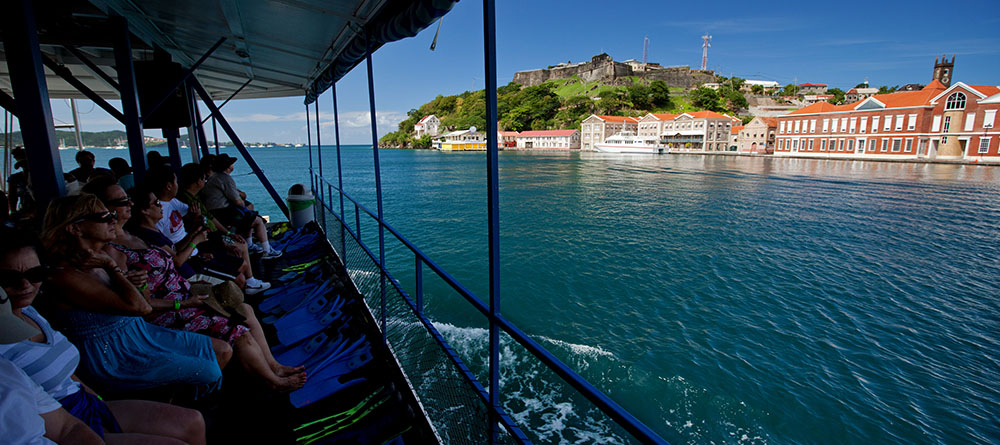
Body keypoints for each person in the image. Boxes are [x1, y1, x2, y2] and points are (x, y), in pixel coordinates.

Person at [83, 179, 305, 391]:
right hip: (173, 308)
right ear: (105, 210)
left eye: (128, 199)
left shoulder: (134, 234)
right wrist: (184, 301)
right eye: (122, 202)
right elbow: (142, 300)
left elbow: (169, 258)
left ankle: (274, 366)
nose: (129, 203)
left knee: (244, 308)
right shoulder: (113, 252)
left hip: (187, 293)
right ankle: (272, 381)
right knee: (239, 331)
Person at [0, 229, 207, 443]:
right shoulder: (4, 343)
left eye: (35, 275)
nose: (25, 285)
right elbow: (140, 307)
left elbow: (67, 374)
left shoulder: (29, 312)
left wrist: (97, 399)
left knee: (193, 421)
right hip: (57, 419)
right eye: (8, 278)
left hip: (85, 401)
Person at [39, 194, 225, 394]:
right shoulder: (65, 276)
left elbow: (144, 301)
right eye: (104, 217)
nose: (113, 220)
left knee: (218, 350)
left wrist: (141, 283)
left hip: (141, 333)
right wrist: (112, 269)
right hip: (114, 353)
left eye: (112, 214)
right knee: (209, 370)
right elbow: (140, 308)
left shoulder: (112, 254)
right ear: (75, 228)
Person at [145, 165, 269, 294]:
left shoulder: (175, 202)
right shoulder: (158, 219)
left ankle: (249, 283)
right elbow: (175, 256)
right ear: (169, 186)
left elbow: (200, 219)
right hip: (196, 253)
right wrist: (201, 241)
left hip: (197, 247)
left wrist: (200, 225)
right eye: (175, 181)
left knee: (241, 252)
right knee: (240, 263)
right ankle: (247, 286)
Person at [200, 155, 276, 256]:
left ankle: (249, 245)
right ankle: (267, 251)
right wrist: (243, 204)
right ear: (227, 166)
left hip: (215, 212)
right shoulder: (225, 178)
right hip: (222, 213)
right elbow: (238, 201)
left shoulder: (213, 178)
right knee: (257, 220)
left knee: (249, 216)